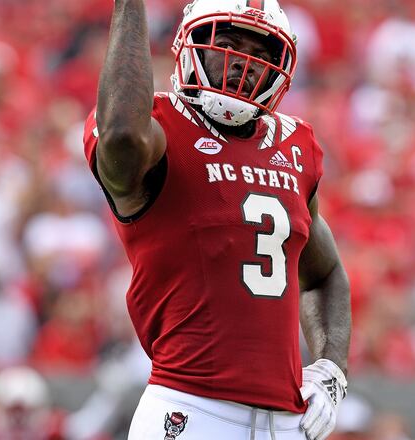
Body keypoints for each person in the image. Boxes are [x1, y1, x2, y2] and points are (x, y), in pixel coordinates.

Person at [82, 0, 352, 439]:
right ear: (191, 46)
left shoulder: (295, 145)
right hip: (189, 410)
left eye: (260, 54)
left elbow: (325, 274)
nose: (243, 62)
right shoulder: (158, 127)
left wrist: (331, 370)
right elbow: (122, 136)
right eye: (228, 43)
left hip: (287, 422)